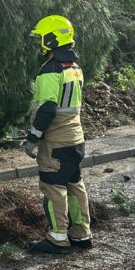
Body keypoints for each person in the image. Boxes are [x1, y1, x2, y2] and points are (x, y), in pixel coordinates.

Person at [23, 15, 93, 254]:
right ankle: (82, 234)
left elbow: (47, 108)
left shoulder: (49, 71)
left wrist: (32, 138)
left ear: (51, 40)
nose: (38, 44)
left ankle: (57, 237)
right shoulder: (75, 67)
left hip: (55, 140)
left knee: (53, 187)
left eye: (40, 39)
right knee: (75, 185)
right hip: (76, 138)